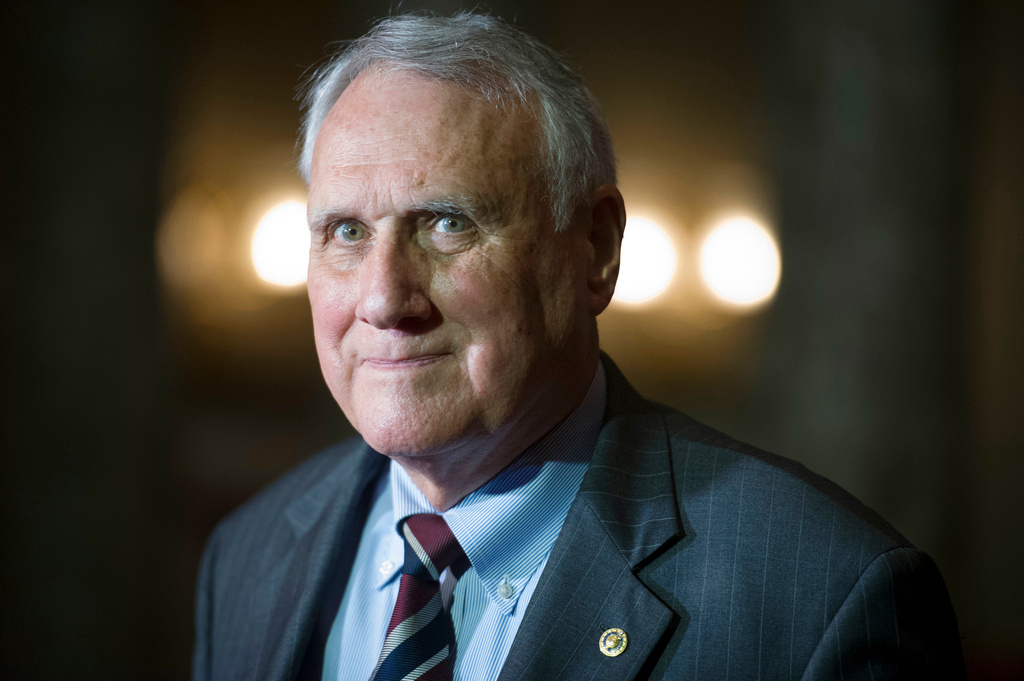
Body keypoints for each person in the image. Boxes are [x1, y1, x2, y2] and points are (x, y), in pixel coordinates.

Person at [192, 12, 964, 681]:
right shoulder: (248, 554)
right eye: (347, 232)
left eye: (447, 223)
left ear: (595, 249)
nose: (385, 299)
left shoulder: (823, 595)